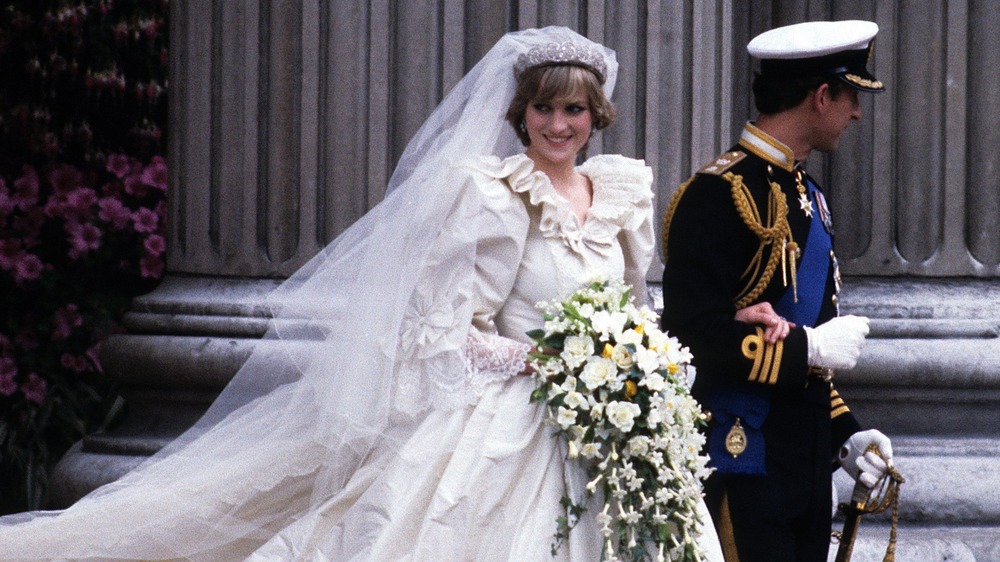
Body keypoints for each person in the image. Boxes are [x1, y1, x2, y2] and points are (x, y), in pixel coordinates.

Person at [0, 27, 723, 561]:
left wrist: (637, 363)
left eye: (572, 111)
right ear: (521, 116)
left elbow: (633, 306)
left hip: (616, 415)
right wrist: (552, 359)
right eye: (543, 111)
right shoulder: (492, 197)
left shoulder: (621, 194)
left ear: (596, 114)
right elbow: (449, 331)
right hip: (516, 413)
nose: (558, 126)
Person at [660, 20, 895, 562]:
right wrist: (805, 349)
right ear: (820, 96)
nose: (856, 113)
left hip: (805, 463)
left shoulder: (806, 191)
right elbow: (691, 338)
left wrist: (846, 434)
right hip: (744, 457)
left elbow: (811, 345)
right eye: (851, 97)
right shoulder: (717, 195)